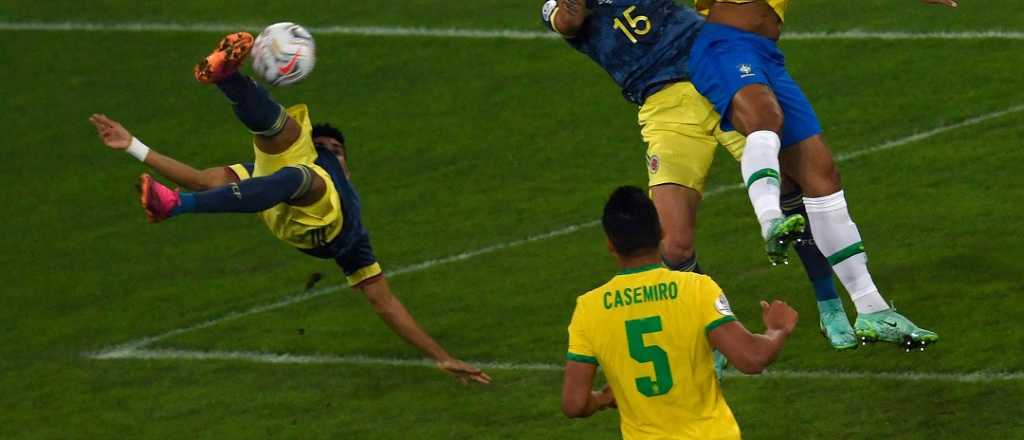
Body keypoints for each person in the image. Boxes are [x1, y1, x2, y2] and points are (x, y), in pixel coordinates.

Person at [89, 32, 491, 384]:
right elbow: (200, 178)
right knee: (287, 147)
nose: (331, 151)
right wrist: (133, 146)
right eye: (327, 147)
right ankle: (227, 79)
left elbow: (384, 303)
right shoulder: (307, 161)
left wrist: (442, 357)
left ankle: (179, 202)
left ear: (347, 161)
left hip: (318, 220)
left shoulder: (354, 237)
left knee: (300, 172)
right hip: (284, 191)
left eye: (336, 150)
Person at [542, 0, 855, 350]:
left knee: (786, 183)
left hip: (712, 71)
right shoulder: (558, 7)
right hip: (664, 109)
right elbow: (568, 21)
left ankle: (829, 304)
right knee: (672, 245)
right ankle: (717, 330)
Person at [686, 0, 951, 349]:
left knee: (822, 175)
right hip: (724, 46)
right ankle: (770, 222)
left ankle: (871, 309)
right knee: (765, 118)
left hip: (764, 53)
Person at [561, 186, 797, 439]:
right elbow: (752, 358)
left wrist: (602, 399)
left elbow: (574, 404)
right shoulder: (696, 288)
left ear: (610, 244)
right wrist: (777, 329)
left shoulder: (589, 308)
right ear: (660, 232)